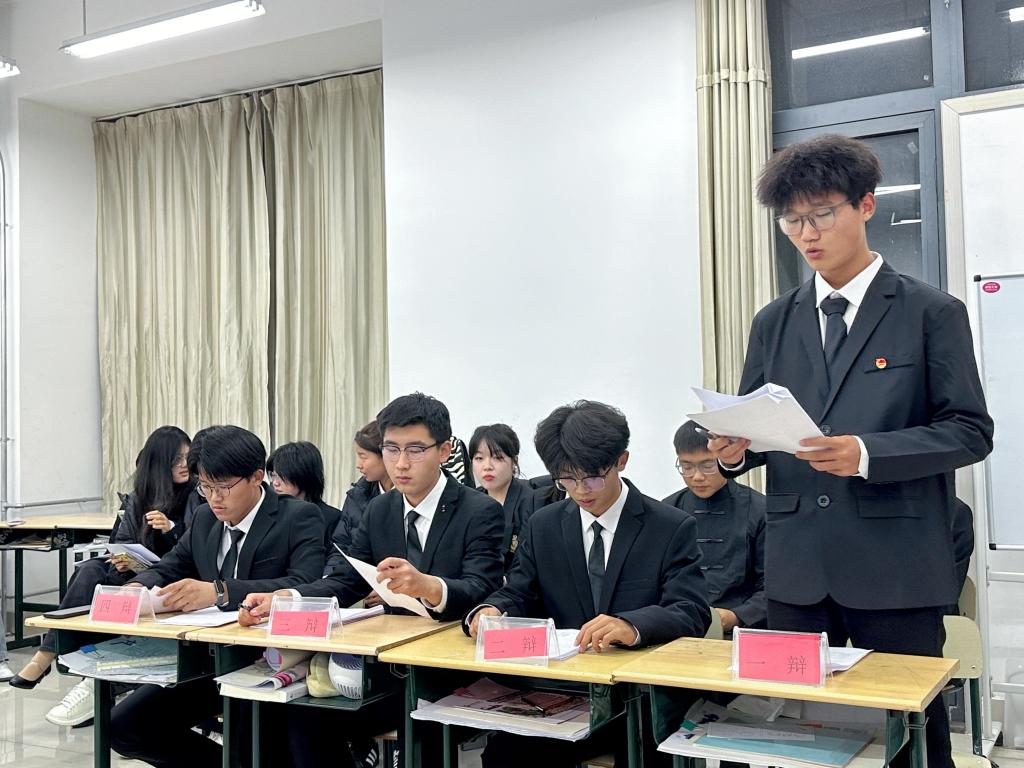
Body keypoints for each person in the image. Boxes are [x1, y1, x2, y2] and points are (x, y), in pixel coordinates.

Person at [709, 134, 994, 768]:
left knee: (911, 740)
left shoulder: (930, 312)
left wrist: (866, 453)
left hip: (895, 571)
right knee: (794, 738)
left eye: (821, 214)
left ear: (866, 205)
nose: (806, 234)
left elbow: (970, 431)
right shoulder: (773, 321)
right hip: (796, 572)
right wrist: (733, 451)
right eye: (791, 221)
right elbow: (759, 432)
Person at [240, 393, 505, 768]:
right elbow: (345, 580)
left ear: (444, 451)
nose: (401, 463)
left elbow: (482, 587)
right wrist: (288, 597)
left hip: (449, 670)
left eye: (415, 450)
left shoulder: (479, 510)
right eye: (391, 449)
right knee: (303, 718)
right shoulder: (380, 509)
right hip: (386, 668)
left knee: (421, 731)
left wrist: (429, 586)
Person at [466, 400, 710, 768]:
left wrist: (632, 626)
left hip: (638, 699)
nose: (580, 490)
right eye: (566, 479)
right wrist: (492, 610)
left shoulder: (670, 526)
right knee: (504, 756)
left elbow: (691, 611)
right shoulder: (544, 525)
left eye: (592, 477)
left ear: (621, 460)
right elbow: (519, 592)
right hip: (562, 693)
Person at [108, 424, 325, 768]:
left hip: (268, 661)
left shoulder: (297, 516)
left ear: (257, 477)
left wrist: (219, 592)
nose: (214, 498)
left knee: (252, 744)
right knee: (125, 727)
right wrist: (137, 587)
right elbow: (171, 565)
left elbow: (305, 582)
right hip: (208, 661)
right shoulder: (204, 518)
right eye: (205, 487)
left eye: (223, 487)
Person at [10, 426, 195, 727]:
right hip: (137, 574)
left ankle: (74, 668)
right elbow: (120, 540)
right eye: (176, 459)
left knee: (103, 591)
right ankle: (51, 655)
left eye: (187, 457)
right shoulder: (138, 498)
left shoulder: (195, 495)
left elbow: (193, 550)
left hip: (172, 577)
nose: (184, 465)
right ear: (160, 463)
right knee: (89, 570)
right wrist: (122, 559)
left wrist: (171, 529)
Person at [663, 420, 766, 632]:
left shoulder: (760, 510)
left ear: (725, 458)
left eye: (708, 466)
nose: (697, 477)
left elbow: (772, 583)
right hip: (678, 628)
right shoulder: (666, 511)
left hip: (742, 629)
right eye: (687, 467)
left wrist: (737, 616)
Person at [325, 420, 395, 571]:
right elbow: (340, 547)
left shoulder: (409, 497)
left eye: (363, 457)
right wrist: (330, 576)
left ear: (386, 456)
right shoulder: (356, 496)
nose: (358, 465)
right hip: (355, 580)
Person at [469, 423, 537, 572]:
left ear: (514, 462)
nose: (487, 466)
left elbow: (528, 564)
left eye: (498, 458)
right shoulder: (469, 502)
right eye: (479, 458)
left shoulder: (532, 502)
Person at [267, 440, 342, 566]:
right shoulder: (271, 513)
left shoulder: (332, 518)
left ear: (302, 474)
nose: (275, 482)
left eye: (281, 476)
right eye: (273, 475)